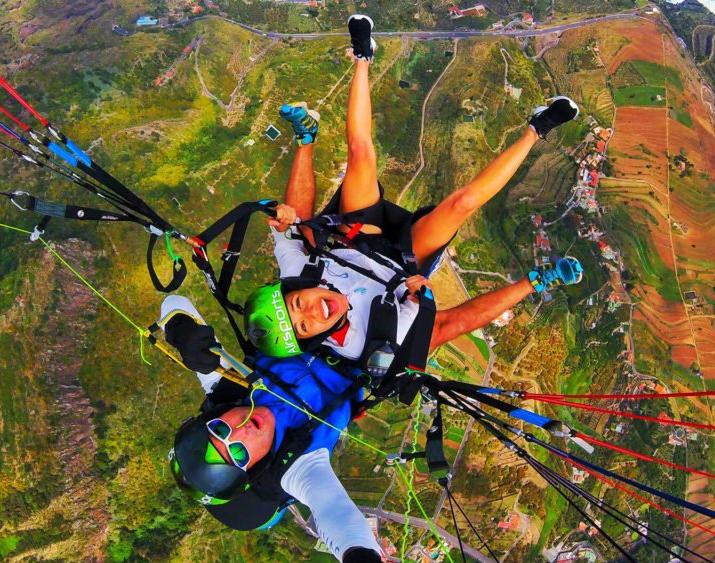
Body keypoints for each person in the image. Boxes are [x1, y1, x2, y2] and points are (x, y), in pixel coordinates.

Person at [244, 14, 584, 363]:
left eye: (299, 304)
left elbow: (287, 230)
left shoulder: (295, 275)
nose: (313, 313)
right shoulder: (364, 344)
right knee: (461, 204)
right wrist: (417, 296)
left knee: (360, 156)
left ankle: (362, 56)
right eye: (304, 327)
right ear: (315, 341)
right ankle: (537, 129)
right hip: (401, 264)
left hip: (357, 236)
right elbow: (425, 317)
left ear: (296, 290)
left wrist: (284, 219)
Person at [163, 293, 397, 563]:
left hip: (310, 319)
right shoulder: (296, 466)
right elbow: (334, 512)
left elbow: (173, 303)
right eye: (239, 454)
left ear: (215, 417)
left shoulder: (229, 392)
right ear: (257, 467)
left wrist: (182, 332)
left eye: (221, 430)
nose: (241, 431)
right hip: (363, 350)